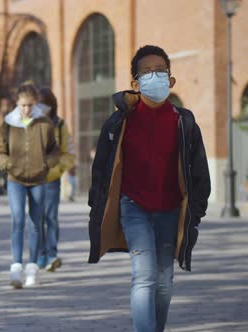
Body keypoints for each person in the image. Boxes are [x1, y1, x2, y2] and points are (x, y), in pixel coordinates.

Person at [87, 45, 210, 332]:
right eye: (147, 71)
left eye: (160, 70)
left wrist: (198, 209)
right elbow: (102, 167)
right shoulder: (120, 121)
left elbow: (199, 167)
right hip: (134, 206)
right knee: (143, 276)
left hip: (171, 208)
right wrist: (97, 205)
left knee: (164, 280)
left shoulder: (184, 121)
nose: (154, 76)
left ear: (171, 79)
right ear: (135, 82)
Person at [0, 81, 59, 289]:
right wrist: (7, 164)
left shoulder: (44, 123)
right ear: (17, 103)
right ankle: (15, 267)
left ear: (36, 103)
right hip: (15, 180)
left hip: (39, 179)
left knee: (35, 223)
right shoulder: (9, 123)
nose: (26, 109)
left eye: (30, 105)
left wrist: (47, 164)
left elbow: (54, 150)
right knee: (18, 220)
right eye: (23, 105)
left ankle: (32, 267)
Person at [30, 87, 75, 272]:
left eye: (44, 103)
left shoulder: (60, 125)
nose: (40, 107)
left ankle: (52, 254)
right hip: (32, 179)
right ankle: (40, 254)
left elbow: (69, 152)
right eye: (37, 103)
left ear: (51, 105)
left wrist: (57, 169)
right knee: (36, 218)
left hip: (51, 179)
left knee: (51, 217)